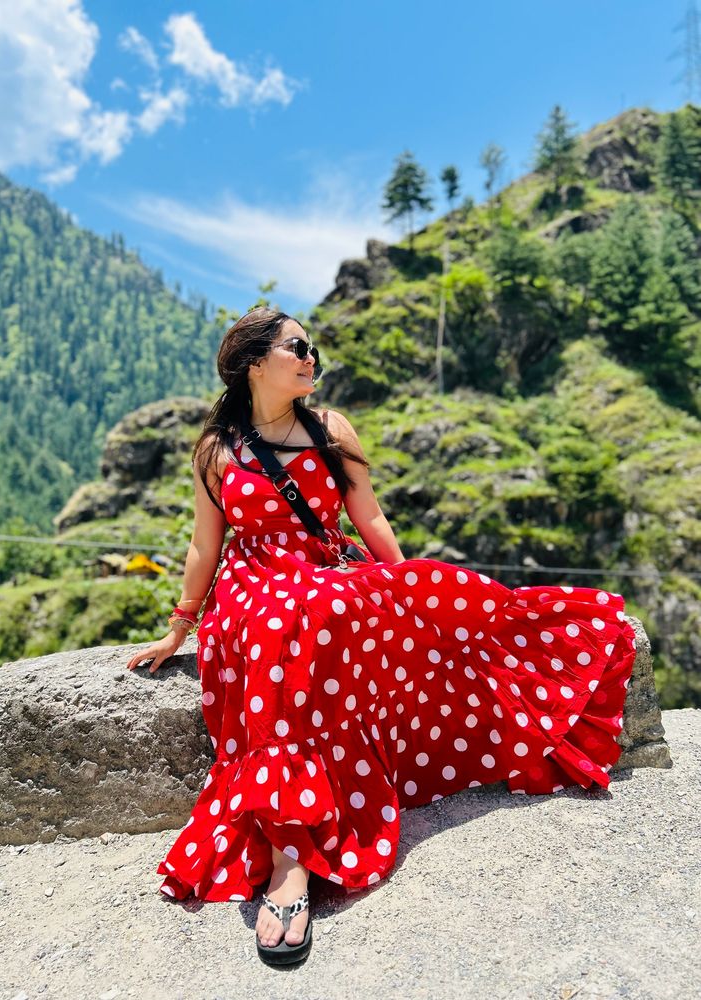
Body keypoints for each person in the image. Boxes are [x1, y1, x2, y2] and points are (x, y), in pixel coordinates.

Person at [126, 306, 637, 967]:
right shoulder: (217, 451)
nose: (312, 358)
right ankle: (290, 862)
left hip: (326, 575)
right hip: (254, 587)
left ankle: (294, 858)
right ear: (256, 363)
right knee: (287, 625)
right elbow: (204, 544)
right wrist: (179, 629)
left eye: (313, 349)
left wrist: (409, 589)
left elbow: (366, 513)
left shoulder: (332, 428)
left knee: (318, 615)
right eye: (297, 348)